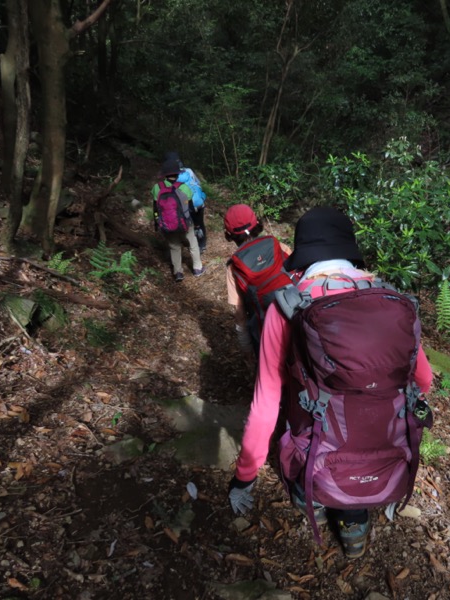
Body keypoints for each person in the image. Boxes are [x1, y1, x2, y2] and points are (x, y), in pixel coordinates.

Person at [227, 206, 434, 558]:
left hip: (315, 442)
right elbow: (423, 381)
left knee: (302, 425)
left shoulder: (288, 306)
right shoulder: (390, 299)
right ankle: (353, 527)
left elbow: (265, 404)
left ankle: (311, 500)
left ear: (302, 252)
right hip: (378, 443)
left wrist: (244, 475)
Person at [223, 204, 292, 358]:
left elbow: (240, 314)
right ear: (257, 224)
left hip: (265, 332)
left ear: (229, 234)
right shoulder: (278, 246)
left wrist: (247, 348)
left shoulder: (234, 267)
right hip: (294, 317)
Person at [152, 158, 205, 282]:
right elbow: (191, 208)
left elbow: (155, 207)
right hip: (185, 223)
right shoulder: (184, 187)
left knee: (174, 246)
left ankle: (178, 273)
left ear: (165, 174)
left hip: (167, 224)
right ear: (177, 174)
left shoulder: (157, 188)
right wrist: (195, 223)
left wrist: (156, 222)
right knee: (193, 243)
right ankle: (197, 268)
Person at [164, 152, 207, 253]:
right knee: (200, 223)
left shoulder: (172, 177)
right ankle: (202, 244)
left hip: (188, 204)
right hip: (199, 201)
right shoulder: (189, 171)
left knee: (190, 226)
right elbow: (198, 183)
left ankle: (194, 246)